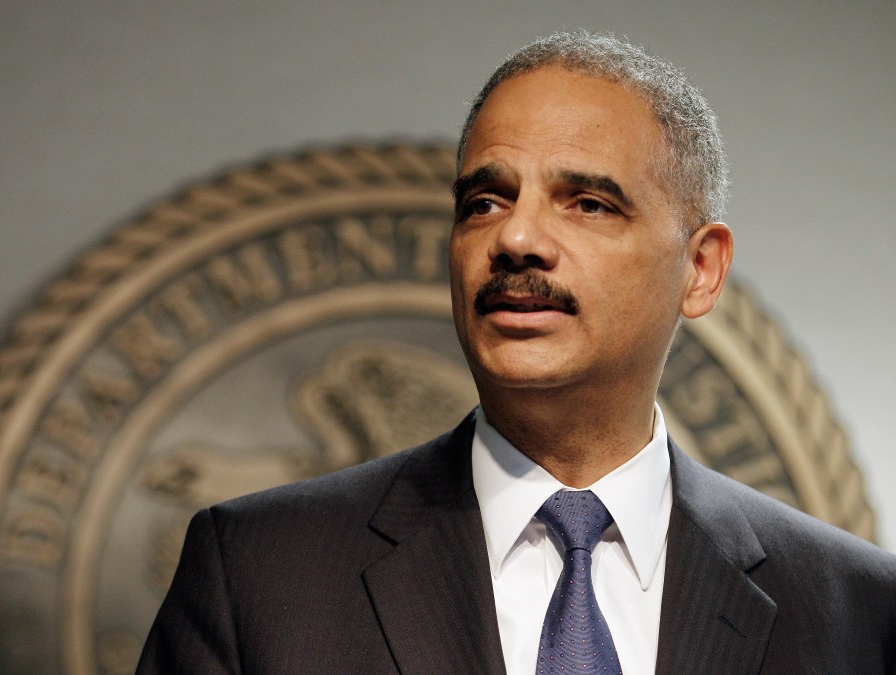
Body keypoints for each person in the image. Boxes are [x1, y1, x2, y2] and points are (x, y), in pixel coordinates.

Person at [137, 31, 896, 674]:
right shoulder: (259, 575)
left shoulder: (859, 609)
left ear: (700, 269)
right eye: (485, 201)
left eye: (588, 203)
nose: (516, 238)